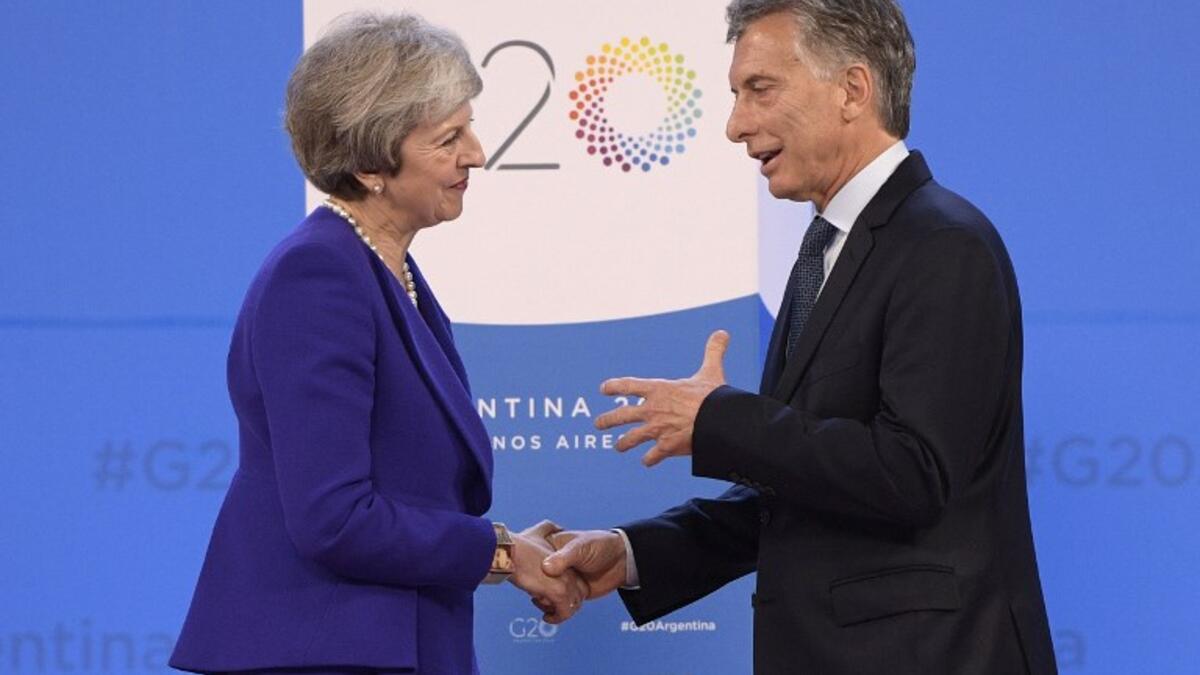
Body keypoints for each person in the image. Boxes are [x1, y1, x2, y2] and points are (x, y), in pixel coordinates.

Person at [541, 1, 1058, 673]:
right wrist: (634, 552)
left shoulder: (943, 245)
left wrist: (720, 418)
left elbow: (912, 474)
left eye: (759, 89)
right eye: (735, 95)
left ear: (852, 90)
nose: (734, 125)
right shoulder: (825, 249)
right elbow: (800, 490)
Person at [169, 13, 583, 675]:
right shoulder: (318, 277)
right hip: (326, 648)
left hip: (390, 642)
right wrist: (501, 554)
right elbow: (334, 517)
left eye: (468, 127)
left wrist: (507, 550)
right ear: (369, 165)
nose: (476, 153)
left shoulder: (388, 273)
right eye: (450, 137)